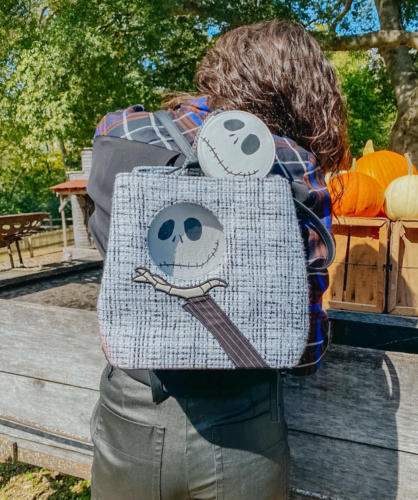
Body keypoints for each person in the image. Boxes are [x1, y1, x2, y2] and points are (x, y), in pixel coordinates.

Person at [87, 19, 347, 500]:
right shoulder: (291, 162)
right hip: (244, 424)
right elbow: (304, 344)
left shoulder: (119, 130)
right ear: (299, 88)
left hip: (129, 408)